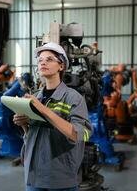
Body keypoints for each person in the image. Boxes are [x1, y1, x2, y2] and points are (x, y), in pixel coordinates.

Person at [13, 42, 92, 191]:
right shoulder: (36, 97)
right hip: (34, 174)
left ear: (61, 66)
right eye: (40, 60)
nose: (43, 62)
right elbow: (32, 136)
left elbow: (81, 134)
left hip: (60, 177)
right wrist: (24, 124)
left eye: (49, 59)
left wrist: (43, 109)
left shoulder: (73, 98)